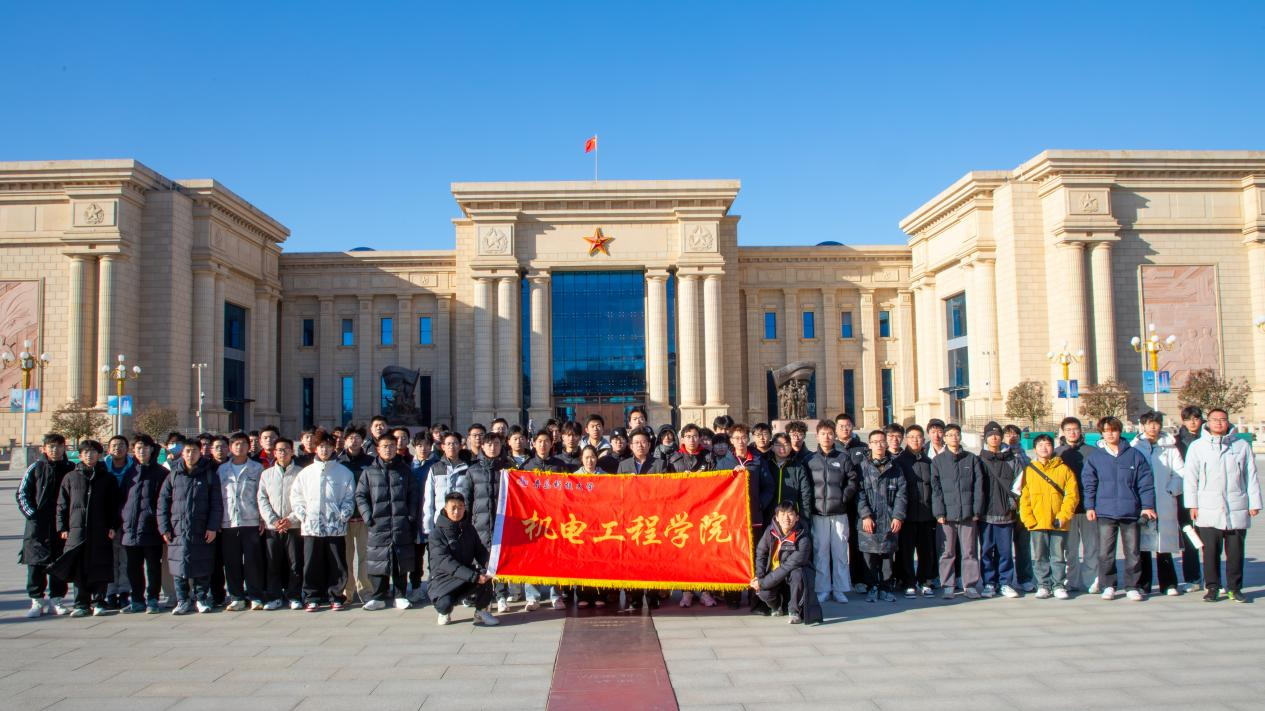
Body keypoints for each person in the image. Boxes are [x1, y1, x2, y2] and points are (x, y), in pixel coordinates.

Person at [1183, 408, 1261, 603]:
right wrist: (1192, 504)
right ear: (1207, 422)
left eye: (1222, 419)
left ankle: (1235, 588)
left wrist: (1254, 502)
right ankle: (1212, 587)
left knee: (1235, 552)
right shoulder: (1198, 447)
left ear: (1228, 422)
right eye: (1214, 419)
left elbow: (1250, 475)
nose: (1219, 423)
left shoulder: (1241, 445)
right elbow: (1191, 478)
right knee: (1210, 552)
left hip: (1236, 506)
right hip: (1208, 506)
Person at [1083, 416, 1156, 601]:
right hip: (1105, 511)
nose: (1110, 434)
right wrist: (1089, 506)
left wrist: (1147, 506)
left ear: (1120, 431)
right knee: (1105, 552)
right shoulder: (1096, 457)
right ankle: (1109, 585)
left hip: (1130, 510)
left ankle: (1132, 586)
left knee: (1133, 551)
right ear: (1101, 433)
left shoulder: (1134, 455)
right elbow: (1089, 483)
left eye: (1113, 430)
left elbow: (1145, 483)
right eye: (1106, 431)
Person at [49, 439, 119, 617]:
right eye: (86, 452)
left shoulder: (108, 478)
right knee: (79, 567)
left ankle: (99, 601)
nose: (89, 455)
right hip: (76, 530)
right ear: (79, 455)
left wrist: (113, 525)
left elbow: (114, 505)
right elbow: (62, 505)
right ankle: (81, 603)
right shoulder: (70, 477)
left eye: (93, 452)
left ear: (99, 455)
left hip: (100, 530)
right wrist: (62, 527)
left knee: (100, 565)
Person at [290, 430, 356, 611]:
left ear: (334, 448)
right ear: (315, 449)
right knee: (312, 562)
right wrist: (303, 515)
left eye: (328, 446)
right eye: (321, 447)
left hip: (335, 526)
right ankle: (312, 596)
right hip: (312, 526)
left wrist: (343, 515)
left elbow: (350, 497)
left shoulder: (344, 472)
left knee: (337, 562)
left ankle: (336, 595)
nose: (324, 450)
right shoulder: (306, 473)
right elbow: (296, 496)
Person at [356, 434, 420, 610]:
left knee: (400, 558)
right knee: (378, 559)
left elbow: (414, 494)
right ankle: (378, 596)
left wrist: (410, 515)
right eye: (384, 446)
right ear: (378, 449)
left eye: (392, 445)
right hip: (378, 523)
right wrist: (368, 516)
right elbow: (360, 495)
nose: (388, 449)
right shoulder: (369, 471)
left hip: (401, 523)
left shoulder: (404, 470)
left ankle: (400, 595)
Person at [158, 442, 222, 615]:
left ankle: (201, 598)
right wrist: (164, 527)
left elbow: (216, 504)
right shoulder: (173, 474)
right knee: (179, 567)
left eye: (194, 451)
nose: (190, 454)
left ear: (200, 452)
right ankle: (182, 600)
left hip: (202, 528)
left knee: (202, 564)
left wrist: (212, 527)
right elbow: (163, 503)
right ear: (182, 453)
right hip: (177, 529)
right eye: (187, 451)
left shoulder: (209, 474)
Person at [17, 433, 74, 618]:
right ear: (44, 449)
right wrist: (33, 516)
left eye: (58, 446)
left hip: (61, 526)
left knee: (59, 563)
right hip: (38, 527)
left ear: (64, 448)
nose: (55, 450)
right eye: (51, 446)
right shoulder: (35, 468)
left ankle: (57, 600)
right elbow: (22, 494)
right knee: (35, 565)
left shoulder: (71, 469)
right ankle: (37, 600)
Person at [1018, 434, 1079, 599]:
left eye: (1047, 444)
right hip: (1037, 521)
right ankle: (1043, 585)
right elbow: (1024, 497)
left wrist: (1063, 516)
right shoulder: (1029, 470)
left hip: (1058, 520)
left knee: (1058, 555)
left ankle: (1058, 585)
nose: (1044, 448)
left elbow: (1072, 496)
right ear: (1035, 449)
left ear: (1053, 447)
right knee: (1040, 556)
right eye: (1040, 445)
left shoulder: (1064, 469)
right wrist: (1028, 518)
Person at [804, 420, 858, 604]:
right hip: (818, 514)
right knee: (821, 553)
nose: (826, 437)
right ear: (817, 436)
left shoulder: (843, 458)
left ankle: (840, 589)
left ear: (834, 436)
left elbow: (852, 480)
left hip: (839, 514)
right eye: (823, 434)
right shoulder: (810, 460)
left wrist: (843, 498)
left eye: (829, 433)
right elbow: (807, 485)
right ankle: (823, 589)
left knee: (840, 552)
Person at [1132, 411, 1185, 596]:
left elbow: (1180, 472)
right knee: (1142, 545)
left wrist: (1171, 490)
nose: (1153, 427)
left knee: (1164, 545)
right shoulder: (1135, 447)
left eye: (1156, 423)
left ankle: (1168, 584)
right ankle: (1143, 584)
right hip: (1142, 501)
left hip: (1164, 499)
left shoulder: (1170, 447)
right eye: (1149, 423)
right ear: (1143, 425)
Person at [458, 432, 511, 610]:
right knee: (482, 561)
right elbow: (466, 499)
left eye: (496, 444)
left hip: (503, 522)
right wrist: (465, 523)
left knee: (501, 559)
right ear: (482, 446)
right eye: (489, 444)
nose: (492, 447)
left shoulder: (508, 469)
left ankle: (502, 595)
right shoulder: (473, 470)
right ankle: (482, 597)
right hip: (479, 523)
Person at [428, 492, 499, 626]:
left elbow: (480, 552)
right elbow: (445, 562)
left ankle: (481, 612)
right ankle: (444, 612)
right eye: (453, 508)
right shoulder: (436, 534)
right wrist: (474, 577)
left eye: (460, 507)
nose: (457, 511)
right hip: (443, 580)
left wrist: (492, 566)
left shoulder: (469, 529)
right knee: (444, 604)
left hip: (466, 576)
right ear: (445, 508)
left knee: (487, 576)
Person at [931, 423, 984, 599]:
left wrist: (976, 510)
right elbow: (936, 489)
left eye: (956, 434)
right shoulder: (938, 461)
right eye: (950, 435)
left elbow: (978, 486)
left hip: (968, 514)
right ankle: (948, 585)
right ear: (944, 438)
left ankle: (970, 585)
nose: (954, 437)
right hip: (946, 516)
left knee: (969, 551)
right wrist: (939, 513)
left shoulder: (971, 459)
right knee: (947, 552)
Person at [751, 502, 823, 624]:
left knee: (798, 574)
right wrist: (759, 576)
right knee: (763, 593)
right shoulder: (770, 531)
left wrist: (762, 583)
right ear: (777, 517)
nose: (786, 518)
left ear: (797, 517)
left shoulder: (803, 538)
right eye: (782, 514)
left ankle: (794, 611)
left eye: (790, 514)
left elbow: (788, 566)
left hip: (791, 574)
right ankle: (776, 606)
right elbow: (761, 553)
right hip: (774, 572)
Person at [217, 431, 266, 611]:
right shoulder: (222, 470)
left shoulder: (257, 468)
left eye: (243, 444)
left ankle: (255, 596)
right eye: (236, 444)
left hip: (251, 521)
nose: (240, 447)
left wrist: (262, 518)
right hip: (228, 522)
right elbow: (217, 497)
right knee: (232, 562)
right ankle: (236, 597)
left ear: (249, 446)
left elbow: (262, 495)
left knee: (253, 562)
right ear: (230, 448)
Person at [119, 435, 168, 614]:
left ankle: (153, 598)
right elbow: (122, 499)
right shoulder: (130, 472)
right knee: (133, 567)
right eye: (138, 448)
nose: (141, 451)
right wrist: (123, 519)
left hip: (151, 528)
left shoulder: (161, 473)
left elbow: (165, 501)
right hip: (130, 529)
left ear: (152, 450)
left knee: (153, 567)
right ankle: (137, 600)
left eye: (145, 448)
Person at [856, 430, 906, 602]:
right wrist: (865, 515)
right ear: (869, 445)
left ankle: (886, 587)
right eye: (875, 442)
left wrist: (898, 516)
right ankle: (872, 587)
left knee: (887, 557)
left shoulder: (895, 467)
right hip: (869, 519)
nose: (879, 445)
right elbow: (859, 493)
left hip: (889, 519)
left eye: (882, 441)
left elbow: (901, 494)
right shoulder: (862, 467)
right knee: (869, 557)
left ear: (886, 443)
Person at [1054, 417, 1101, 593]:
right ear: (1063, 432)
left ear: (1080, 431)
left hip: (1088, 508)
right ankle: (1071, 581)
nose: (1072, 433)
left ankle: (1092, 581)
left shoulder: (1092, 452)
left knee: (1091, 547)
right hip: (1067, 510)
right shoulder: (1057, 454)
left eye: (1075, 429)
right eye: (1068, 430)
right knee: (1070, 548)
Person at [257, 437, 304, 610]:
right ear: (274, 453)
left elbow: (305, 499)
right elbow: (262, 499)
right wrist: (273, 520)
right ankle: (274, 596)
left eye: (286, 449)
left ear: (292, 451)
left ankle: (294, 595)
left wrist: (291, 519)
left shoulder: (301, 473)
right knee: (273, 563)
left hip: (294, 526)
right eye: (279, 450)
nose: (282, 453)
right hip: (273, 527)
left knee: (295, 563)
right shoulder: (266, 474)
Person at [978, 422, 1022, 599]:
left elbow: (1019, 484)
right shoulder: (979, 460)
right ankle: (989, 582)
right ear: (985, 438)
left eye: (997, 435)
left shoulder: (1012, 460)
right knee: (986, 551)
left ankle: (1005, 582)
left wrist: (1013, 503)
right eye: (990, 435)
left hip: (1006, 512)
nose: (994, 438)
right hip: (985, 513)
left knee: (1005, 551)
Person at [896, 424, 937, 598]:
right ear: (906, 439)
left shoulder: (929, 462)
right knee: (906, 552)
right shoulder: (899, 462)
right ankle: (909, 582)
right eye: (912, 437)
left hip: (927, 515)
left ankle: (925, 581)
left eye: (918, 437)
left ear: (923, 439)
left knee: (926, 551)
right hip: (907, 516)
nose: (915, 440)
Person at [337, 425, 375, 604]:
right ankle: (347, 591)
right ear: (345, 441)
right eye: (350, 437)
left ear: (363, 441)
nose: (354, 441)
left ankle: (365, 590)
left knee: (364, 555)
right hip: (344, 518)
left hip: (364, 516)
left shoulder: (370, 462)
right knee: (346, 556)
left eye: (357, 437)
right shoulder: (338, 462)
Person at [102, 435, 135, 609]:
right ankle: (110, 593)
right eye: (114, 445)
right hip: (106, 521)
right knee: (109, 558)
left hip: (128, 520)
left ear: (127, 448)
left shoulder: (134, 468)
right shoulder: (101, 468)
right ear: (108, 449)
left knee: (125, 558)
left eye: (122, 445)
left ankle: (124, 592)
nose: (118, 448)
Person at [1174, 405, 1206, 589]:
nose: (1193, 422)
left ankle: (1212, 579)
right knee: (1189, 536)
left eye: (1196, 418)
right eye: (1188, 419)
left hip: (1207, 495)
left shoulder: (1209, 439)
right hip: (1184, 496)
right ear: (1183, 421)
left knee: (1210, 539)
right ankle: (1193, 578)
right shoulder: (1176, 442)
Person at [1002, 424, 1035, 593]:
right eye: (1008, 434)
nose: (1012, 437)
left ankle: (1025, 578)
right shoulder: (1000, 456)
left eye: (1015, 434)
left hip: (1023, 506)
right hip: (1005, 506)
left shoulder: (1026, 458)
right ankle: (1005, 580)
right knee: (1004, 547)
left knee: (1023, 545)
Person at [408, 432, 434, 603]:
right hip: (415, 519)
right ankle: (416, 587)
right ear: (414, 446)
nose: (423, 449)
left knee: (435, 557)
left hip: (432, 518)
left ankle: (434, 587)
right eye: (419, 445)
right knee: (416, 557)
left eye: (426, 445)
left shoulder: (436, 466)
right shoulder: (409, 467)